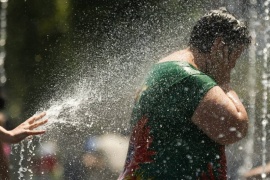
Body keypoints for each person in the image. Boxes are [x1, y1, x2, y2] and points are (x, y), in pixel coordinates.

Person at [119, 7, 251, 179]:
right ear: (219, 46)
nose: (232, 65)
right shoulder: (188, 78)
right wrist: (224, 81)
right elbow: (234, 129)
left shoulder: (168, 68)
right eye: (234, 56)